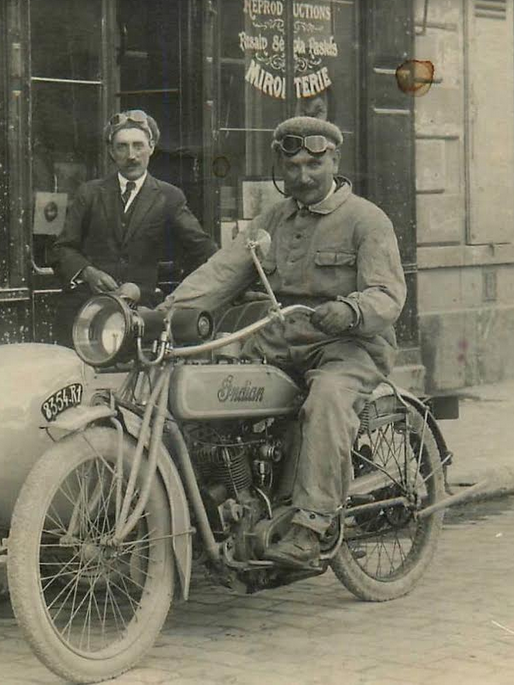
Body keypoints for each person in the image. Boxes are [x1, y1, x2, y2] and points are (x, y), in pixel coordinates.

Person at [161, 116, 406, 568]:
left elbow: (387, 295)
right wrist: (162, 315)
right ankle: (227, 499)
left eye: (314, 164)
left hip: (347, 348)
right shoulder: (272, 219)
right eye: (292, 166)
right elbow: (221, 273)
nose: (302, 176)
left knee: (327, 399)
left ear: (335, 160)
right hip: (278, 342)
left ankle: (310, 526)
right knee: (209, 388)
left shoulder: (367, 220)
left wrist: (351, 310)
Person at [49, 110, 218, 346]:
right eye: (122, 147)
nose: (131, 155)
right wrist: (88, 272)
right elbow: (61, 249)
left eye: (138, 146)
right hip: (85, 315)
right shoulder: (89, 193)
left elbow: (202, 250)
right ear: (111, 151)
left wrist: (144, 289)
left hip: (141, 319)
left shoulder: (169, 197)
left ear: (152, 147)